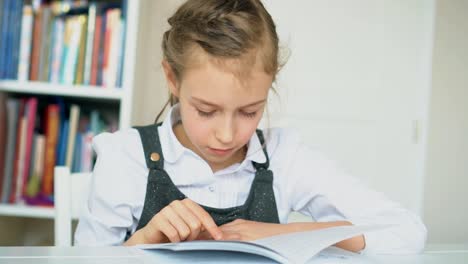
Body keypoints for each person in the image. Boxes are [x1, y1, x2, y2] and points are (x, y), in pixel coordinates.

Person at [75, 0, 426, 254]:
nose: (227, 134)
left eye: (249, 111)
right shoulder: (125, 157)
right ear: (172, 78)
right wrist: (143, 241)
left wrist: (284, 233)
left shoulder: (286, 157)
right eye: (206, 110)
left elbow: (406, 232)